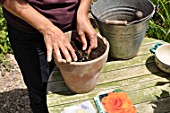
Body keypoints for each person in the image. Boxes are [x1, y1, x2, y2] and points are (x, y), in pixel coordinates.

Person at [0, 0, 97, 112]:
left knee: (78, 86)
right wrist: (47, 29)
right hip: (30, 31)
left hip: (74, 23)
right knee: (42, 91)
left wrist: (82, 12)